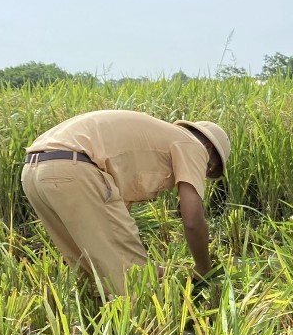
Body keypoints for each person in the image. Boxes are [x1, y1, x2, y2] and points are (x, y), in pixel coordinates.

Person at [21, 110, 230, 297]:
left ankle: (96, 331)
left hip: (33, 172)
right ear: (208, 148)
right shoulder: (192, 145)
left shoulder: (156, 142)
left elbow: (113, 232)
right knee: (138, 287)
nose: (205, 173)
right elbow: (193, 220)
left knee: (92, 270)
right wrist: (204, 268)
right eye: (209, 169)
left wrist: (143, 264)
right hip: (76, 169)